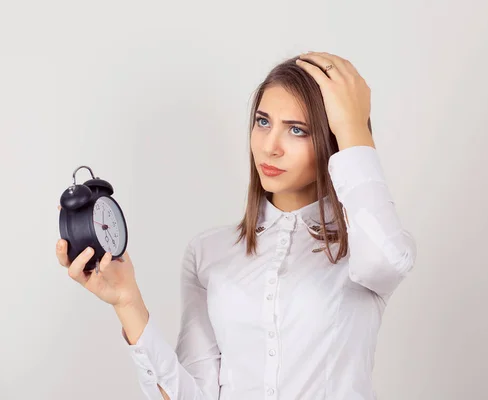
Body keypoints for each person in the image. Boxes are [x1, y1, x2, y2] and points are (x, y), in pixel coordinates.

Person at [55, 51, 417, 400]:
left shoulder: (365, 245)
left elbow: (387, 260)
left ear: (332, 138)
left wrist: (354, 129)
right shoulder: (208, 252)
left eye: (297, 130)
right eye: (263, 122)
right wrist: (127, 301)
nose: (270, 146)